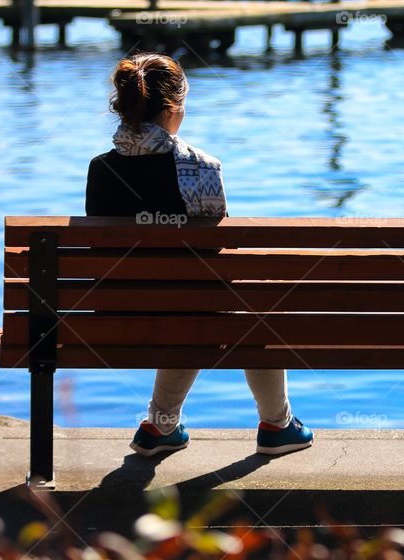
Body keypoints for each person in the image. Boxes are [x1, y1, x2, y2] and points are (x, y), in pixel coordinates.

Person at [85, 53, 314, 457]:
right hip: (191, 308)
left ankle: (160, 427)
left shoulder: (100, 168)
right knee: (235, 309)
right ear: (173, 109)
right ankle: (277, 425)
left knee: (186, 301)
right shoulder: (200, 167)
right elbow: (216, 253)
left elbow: (102, 248)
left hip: (113, 314)